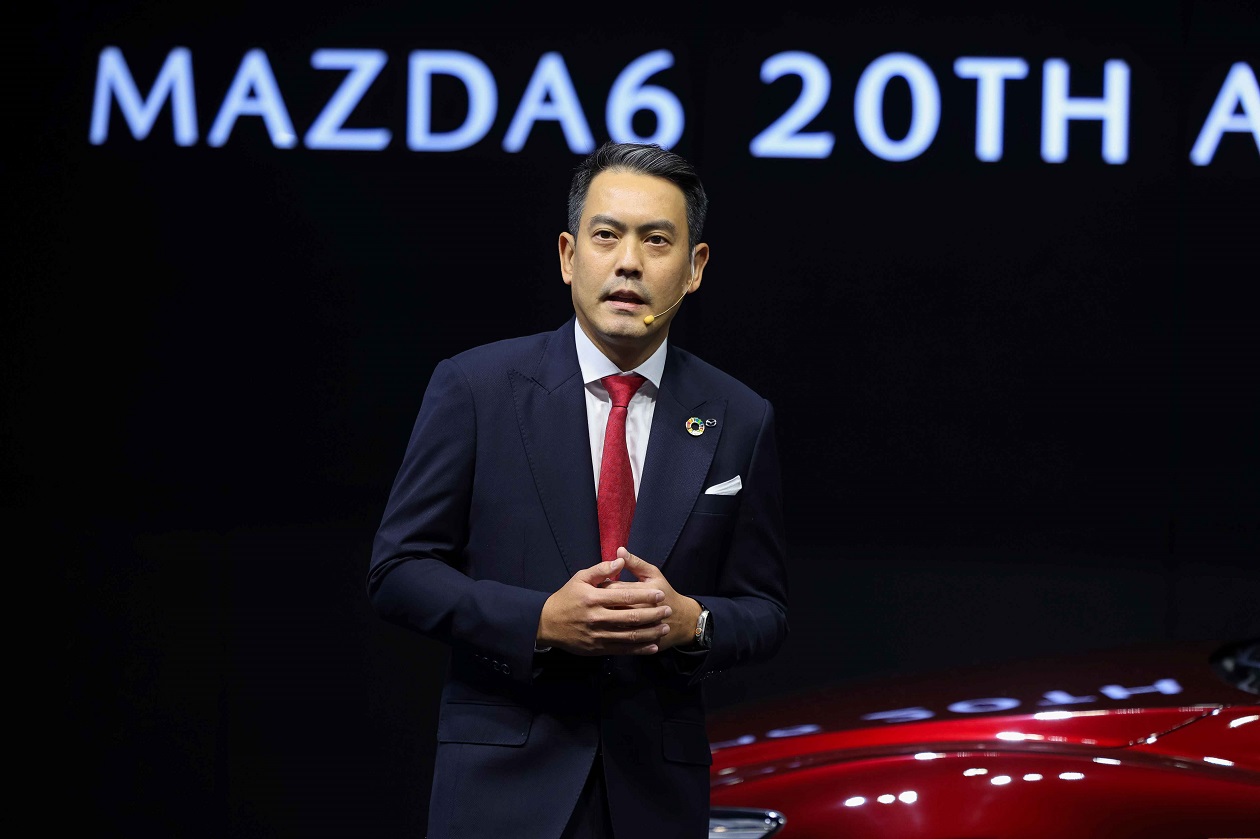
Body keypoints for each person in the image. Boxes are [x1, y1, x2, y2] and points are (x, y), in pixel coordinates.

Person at [368, 141, 789, 839]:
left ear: (694, 268)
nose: (629, 262)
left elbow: (765, 609)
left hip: (654, 798)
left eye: (657, 241)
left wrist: (693, 623)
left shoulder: (740, 416)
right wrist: (538, 621)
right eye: (606, 235)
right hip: (500, 794)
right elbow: (398, 571)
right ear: (569, 256)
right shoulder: (476, 387)